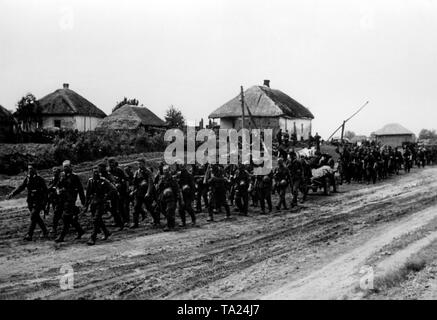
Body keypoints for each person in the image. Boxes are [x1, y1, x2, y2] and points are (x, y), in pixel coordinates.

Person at [7, 163, 49, 241]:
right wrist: (12, 193)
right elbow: (21, 187)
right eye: (28, 169)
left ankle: (29, 235)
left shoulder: (40, 179)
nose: (29, 170)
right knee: (36, 217)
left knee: (33, 216)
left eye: (31, 168)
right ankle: (45, 231)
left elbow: (46, 192)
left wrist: (45, 203)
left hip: (38, 201)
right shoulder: (28, 178)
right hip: (30, 201)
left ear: (35, 169)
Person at [55, 160, 86, 243]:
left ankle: (62, 236)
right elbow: (58, 185)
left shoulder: (74, 177)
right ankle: (80, 230)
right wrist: (58, 190)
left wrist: (83, 201)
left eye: (67, 166)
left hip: (71, 199)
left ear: (70, 167)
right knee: (67, 217)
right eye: (64, 166)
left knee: (66, 217)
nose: (65, 168)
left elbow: (80, 189)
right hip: (62, 199)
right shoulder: (62, 175)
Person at [83, 166, 115, 245]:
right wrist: (86, 205)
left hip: (101, 203)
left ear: (100, 173)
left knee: (96, 220)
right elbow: (87, 194)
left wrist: (106, 197)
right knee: (98, 220)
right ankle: (106, 232)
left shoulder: (103, 180)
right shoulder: (90, 181)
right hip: (93, 203)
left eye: (97, 172)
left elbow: (113, 189)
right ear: (92, 173)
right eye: (94, 172)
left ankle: (92, 238)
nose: (96, 173)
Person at [155, 165, 183, 231]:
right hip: (163, 197)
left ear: (169, 171)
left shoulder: (173, 179)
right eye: (164, 171)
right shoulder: (161, 179)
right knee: (162, 210)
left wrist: (180, 198)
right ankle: (171, 221)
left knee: (169, 210)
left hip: (171, 198)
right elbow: (158, 189)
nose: (166, 172)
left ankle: (169, 225)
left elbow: (177, 189)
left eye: (167, 170)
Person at [131, 159, 156, 228]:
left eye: (140, 164)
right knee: (136, 207)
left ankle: (156, 220)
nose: (139, 165)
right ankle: (135, 223)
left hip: (146, 192)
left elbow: (151, 183)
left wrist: (148, 192)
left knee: (149, 207)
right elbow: (134, 183)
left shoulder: (148, 171)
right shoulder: (137, 172)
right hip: (139, 193)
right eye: (138, 164)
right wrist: (133, 191)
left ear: (144, 164)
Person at [108, 158, 129, 226]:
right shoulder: (109, 171)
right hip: (113, 191)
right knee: (113, 207)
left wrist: (127, 188)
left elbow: (126, 179)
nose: (112, 164)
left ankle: (125, 220)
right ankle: (117, 221)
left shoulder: (119, 170)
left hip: (121, 190)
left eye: (113, 163)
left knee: (121, 206)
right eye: (110, 163)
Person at [46, 167, 63, 236]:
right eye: (54, 172)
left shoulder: (61, 180)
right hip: (54, 200)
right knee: (59, 214)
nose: (55, 173)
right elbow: (48, 189)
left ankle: (54, 228)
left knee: (56, 213)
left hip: (61, 200)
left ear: (59, 173)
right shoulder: (52, 180)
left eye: (56, 172)